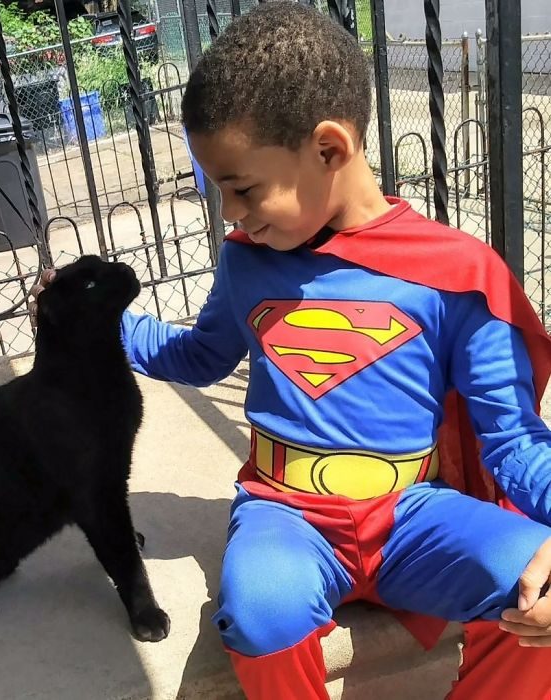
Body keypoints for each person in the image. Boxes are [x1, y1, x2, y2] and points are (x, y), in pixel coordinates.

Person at [30, 3, 551, 697]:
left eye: (242, 188)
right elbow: (199, 356)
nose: (229, 213)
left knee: (537, 582)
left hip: (413, 515)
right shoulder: (247, 263)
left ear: (329, 149)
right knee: (261, 614)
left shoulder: (455, 272)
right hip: (286, 513)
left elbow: (513, 442)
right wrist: (98, 325)